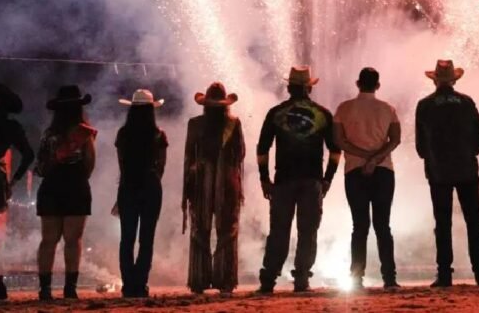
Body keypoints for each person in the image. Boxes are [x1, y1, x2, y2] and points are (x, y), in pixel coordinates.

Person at [257, 66, 341, 293]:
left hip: (283, 180)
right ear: (309, 88)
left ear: (289, 87)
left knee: (279, 230)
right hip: (312, 181)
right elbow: (335, 151)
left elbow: (262, 149)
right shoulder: (322, 114)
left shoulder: (276, 113)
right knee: (308, 231)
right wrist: (327, 179)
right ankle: (302, 279)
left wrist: (264, 178)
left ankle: (268, 280)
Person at [416, 60, 479, 288]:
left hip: (438, 171)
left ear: (435, 81)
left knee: (442, 223)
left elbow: (420, 147)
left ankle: (444, 274)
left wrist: (432, 158)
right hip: (467, 169)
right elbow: (478, 141)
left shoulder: (425, 105)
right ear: (454, 80)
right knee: (474, 221)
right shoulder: (467, 102)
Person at [333, 68, 401, 290]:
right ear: (378, 85)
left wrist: (363, 157)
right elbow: (395, 139)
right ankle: (389, 278)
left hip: (354, 171)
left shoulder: (343, 108)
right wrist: (375, 158)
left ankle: (356, 277)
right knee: (383, 225)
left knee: (359, 225)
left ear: (357, 83)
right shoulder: (388, 109)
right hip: (383, 171)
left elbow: (339, 141)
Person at [182, 82, 245, 294]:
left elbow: (188, 156)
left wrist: (188, 184)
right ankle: (225, 279)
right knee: (227, 228)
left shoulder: (195, 124)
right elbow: (241, 153)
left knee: (200, 229)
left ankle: (199, 279)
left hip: (200, 182)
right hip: (227, 182)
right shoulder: (234, 123)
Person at [35, 86, 97, 300]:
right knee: (73, 240)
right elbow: (89, 164)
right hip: (76, 186)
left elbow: (40, 166)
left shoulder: (48, 134)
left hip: (51, 186)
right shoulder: (85, 133)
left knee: (48, 240)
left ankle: (45, 289)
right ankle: (70, 288)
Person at [114, 89, 168, 297]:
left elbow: (122, 165)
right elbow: (161, 166)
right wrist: (152, 182)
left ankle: (128, 284)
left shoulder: (123, 134)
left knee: (126, 238)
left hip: (128, 186)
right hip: (151, 186)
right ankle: (140, 282)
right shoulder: (158, 134)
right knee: (147, 239)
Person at [0, 83, 34, 301]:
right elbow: (28, 155)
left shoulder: (8, 126)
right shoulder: (10, 126)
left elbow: (28, 155)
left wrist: (14, 180)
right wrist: (13, 180)